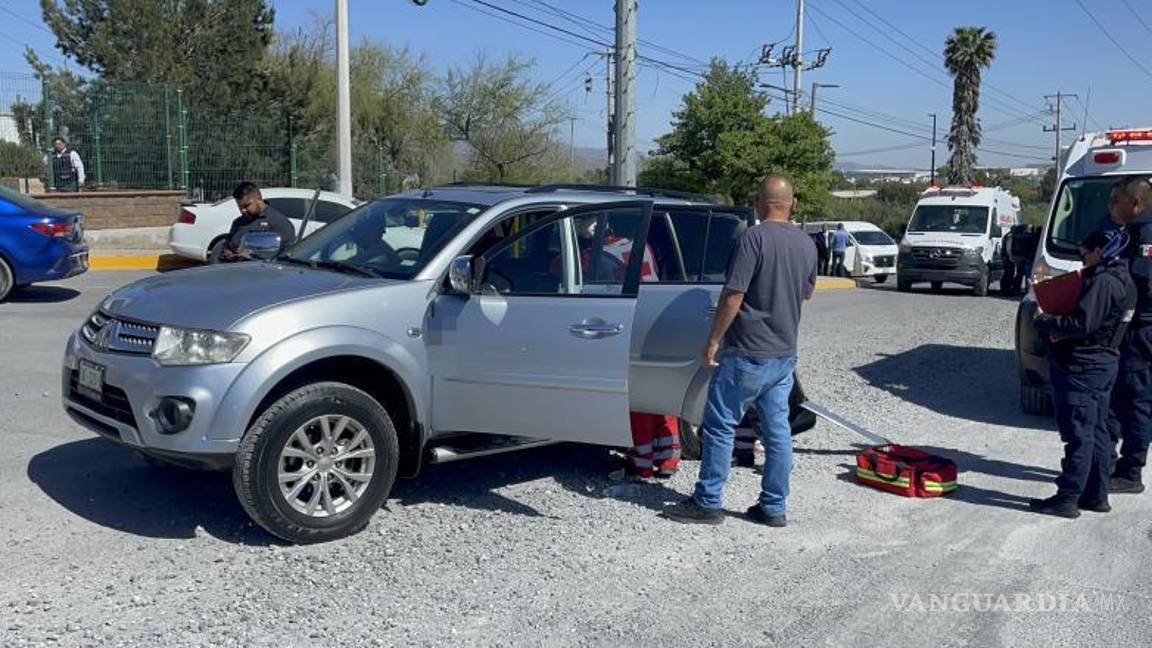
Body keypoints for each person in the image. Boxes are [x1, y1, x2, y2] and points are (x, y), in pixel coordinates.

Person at [662, 175, 817, 527]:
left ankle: (708, 501)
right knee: (777, 432)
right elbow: (806, 293)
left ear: (759, 202)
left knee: (720, 426)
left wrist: (713, 340)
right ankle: (773, 507)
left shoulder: (753, 238)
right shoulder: (807, 244)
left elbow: (733, 294)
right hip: (783, 355)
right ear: (791, 203)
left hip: (747, 351)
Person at [1030, 228, 1136, 517]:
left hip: (1083, 366)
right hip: (1103, 363)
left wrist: (1045, 320)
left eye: (1084, 254)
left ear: (1099, 251)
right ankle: (1095, 495)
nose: (1082, 261)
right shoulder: (1125, 279)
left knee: (1079, 435)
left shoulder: (1104, 282)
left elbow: (1081, 324)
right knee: (1098, 430)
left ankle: (1067, 498)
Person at [1108, 176, 1152, 494]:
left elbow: (1141, 282)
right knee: (1122, 395)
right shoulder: (1132, 230)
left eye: (1117, 200)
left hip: (1142, 328)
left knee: (1137, 399)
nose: (1111, 206)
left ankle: (1131, 472)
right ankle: (1109, 462)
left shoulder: (1146, 233)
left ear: (1135, 203)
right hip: (1133, 326)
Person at [220, 182, 297, 262]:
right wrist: (228, 254)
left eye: (247, 206)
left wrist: (248, 253)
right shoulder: (238, 223)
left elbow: (287, 256)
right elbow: (226, 248)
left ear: (259, 198)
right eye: (240, 207)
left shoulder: (279, 223)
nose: (243, 210)